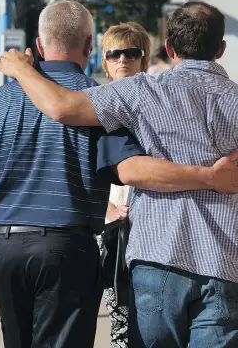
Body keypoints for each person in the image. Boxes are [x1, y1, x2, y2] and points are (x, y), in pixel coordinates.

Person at [0, 0, 238, 348]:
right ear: (221, 49)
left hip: (140, 256)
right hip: (213, 260)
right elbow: (125, 166)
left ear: (169, 47)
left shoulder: (135, 92)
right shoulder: (111, 97)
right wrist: (211, 177)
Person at [98, 21, 151, 348]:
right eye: (114, 53)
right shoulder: (92, 105)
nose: (122, 60)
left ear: (143, 59)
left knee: (151, 315)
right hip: (110, 228)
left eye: (132, 53)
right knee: (118, 314)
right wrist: (108, 208)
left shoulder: (158, 105)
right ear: (104, 61)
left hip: (150, 225)